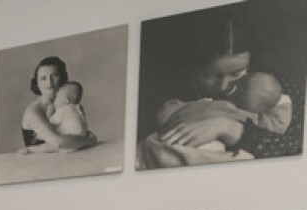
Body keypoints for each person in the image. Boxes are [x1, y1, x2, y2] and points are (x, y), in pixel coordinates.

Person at [137, 7, 302, 169]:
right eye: (209, 76)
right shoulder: (160, 91)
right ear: (189, 70)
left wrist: (228, 128)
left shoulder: (272, 89)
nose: (224, 86)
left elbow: (293, 147)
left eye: (237, 73)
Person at [20, 56, 99, 153]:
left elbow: (78, 130)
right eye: (43, 78)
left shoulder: (65, 103)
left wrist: (78, 139)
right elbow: (57, 143)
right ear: (36, 83)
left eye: (54, 76)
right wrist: (87, 140)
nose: (49, 82)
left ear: (62, 77)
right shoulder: (34, 111)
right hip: (40, 161)